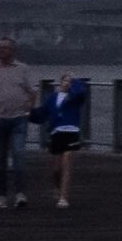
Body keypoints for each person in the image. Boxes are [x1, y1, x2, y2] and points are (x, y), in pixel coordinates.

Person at [0, 40, 42, 210]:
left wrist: (28, 110)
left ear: (13, 50)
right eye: (0, 48)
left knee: (18, 155)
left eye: (5, 48)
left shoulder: (23, 69)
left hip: (19, 118)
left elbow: (32, 92)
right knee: (0, 159)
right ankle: (1, 196)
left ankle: (20, 194)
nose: (1, 50)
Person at [41, 72, 89, 210]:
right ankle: (57, 187)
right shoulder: (53, 98)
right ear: (60, 82)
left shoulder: (75, 97)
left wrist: (75, 81)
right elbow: (44, 112)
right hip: (57, 133)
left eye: (70, 81)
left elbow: (81, 91)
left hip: (72, 131)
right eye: (65, 80)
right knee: (56, 168)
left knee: (67, 161)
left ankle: (64, 197)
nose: (68, 83)